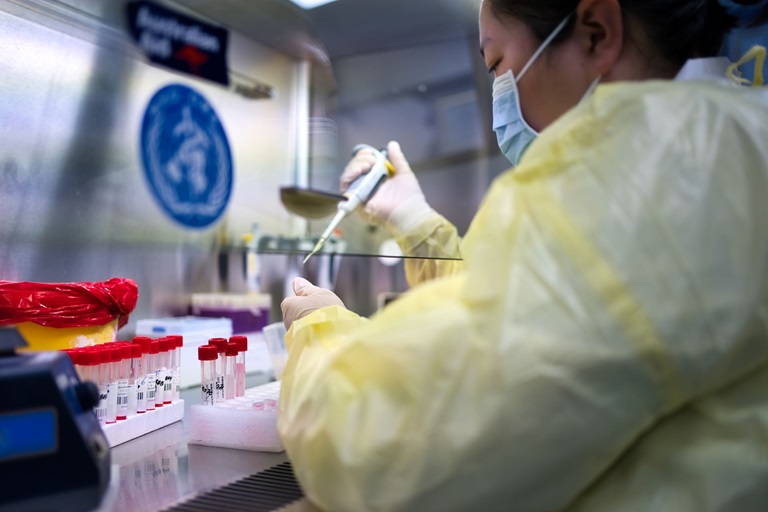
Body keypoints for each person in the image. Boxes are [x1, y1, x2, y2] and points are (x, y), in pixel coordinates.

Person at [279, 0, 768, 510]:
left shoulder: (650, 170)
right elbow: (519, 329)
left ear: (597, 32)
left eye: (496, 64)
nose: (500, 100)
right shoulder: (725, 137)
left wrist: (320, 331)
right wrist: (415, 220)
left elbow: (387, 453)